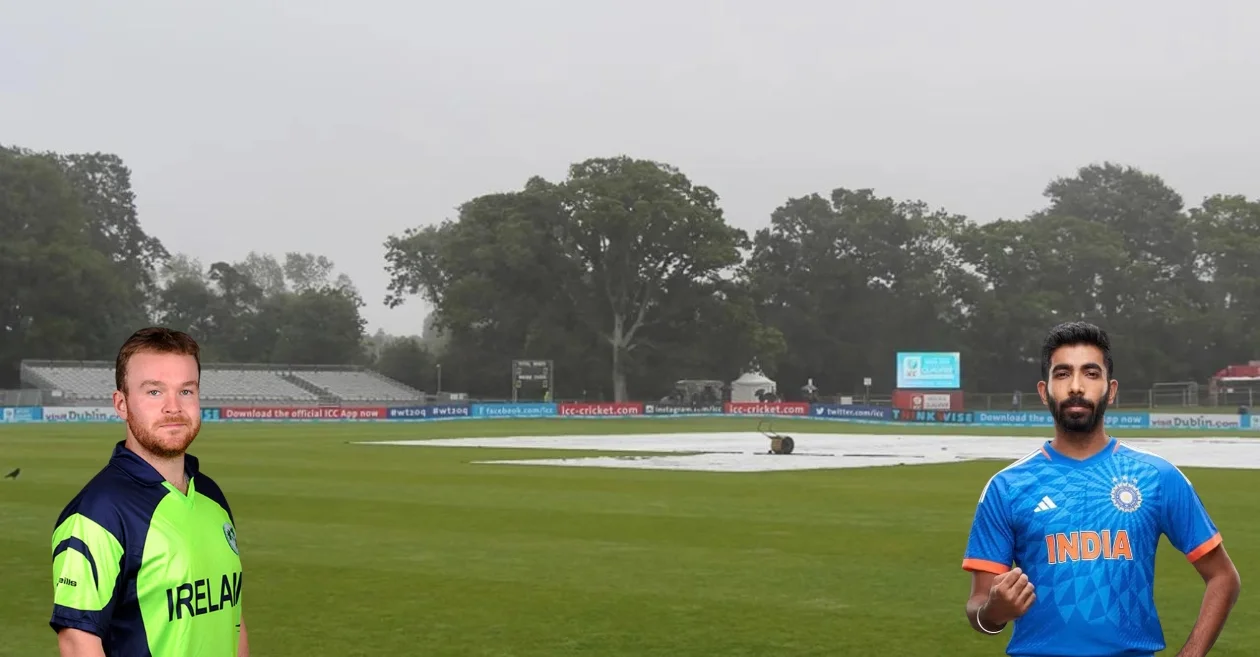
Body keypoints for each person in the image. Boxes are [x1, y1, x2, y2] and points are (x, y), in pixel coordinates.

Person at [961, 321, 1241, 656]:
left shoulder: (1157, 476)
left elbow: (1224, 578)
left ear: (1110, 389)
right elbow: (978, 605)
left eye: (1091, 374)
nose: (1076, 386)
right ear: (1043, 390)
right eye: (1062, 374)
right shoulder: (1006, 487)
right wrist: (994, 612)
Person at [49, 327, 249, 657]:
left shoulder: (211, 496)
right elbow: (77, 642)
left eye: (186, 391)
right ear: (122, 403)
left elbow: (233, 618)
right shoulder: (98, 513)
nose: (173, 407)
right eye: (154, 392)